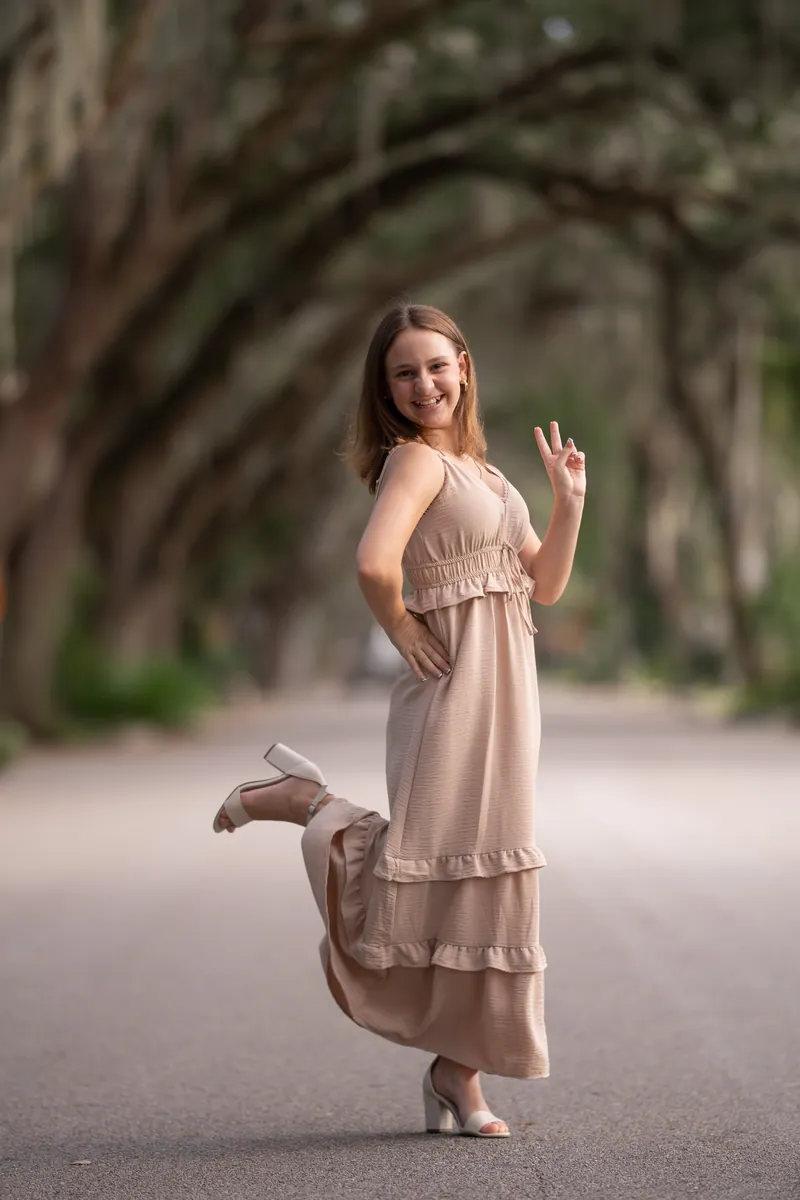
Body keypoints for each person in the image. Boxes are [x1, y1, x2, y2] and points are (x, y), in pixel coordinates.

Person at [213, 302, 585, 1138]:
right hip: (450, 687)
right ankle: (305, 803)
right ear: (386, 390)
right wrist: (403, 629)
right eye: (403, 373)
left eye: (436, 365)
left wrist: (568, 502)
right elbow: (374, 563)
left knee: (487, 874)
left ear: (464, 365)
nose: (424, 384)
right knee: (426, 859)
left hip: (507, 691)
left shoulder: (491, 478)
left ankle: (460, 1073)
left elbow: (548, 586)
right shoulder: (414, 464)